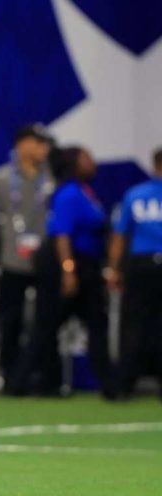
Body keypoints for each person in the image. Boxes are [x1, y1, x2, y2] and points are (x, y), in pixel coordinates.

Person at [0, 123, 54, 395]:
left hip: (45, 262)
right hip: (12, 261)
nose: (44, 148)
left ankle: (43, 380)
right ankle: (11, 378)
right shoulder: (4, 178)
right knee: (10, 323)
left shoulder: (52, 177)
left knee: (45, 322)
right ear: (22, 145)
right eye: (38, 142)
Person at [28, 146, 114, 398]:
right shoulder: (69, 194)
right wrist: (69, 271)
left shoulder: (86, 193)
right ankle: (27, 382)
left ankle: (109, 386)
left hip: (87, 268)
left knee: (94, 325)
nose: (92, 161)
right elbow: (62, 235)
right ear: (74, 164)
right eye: (86, 158)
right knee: (47, 326)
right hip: (70, 267)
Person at [106, 148, 162, 398]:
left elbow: (120, 236)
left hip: (140, 266)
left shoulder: (136, 195)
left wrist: (114, 269)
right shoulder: (135, 194)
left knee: (133, 325)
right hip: (145, 266)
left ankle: (124, 385)